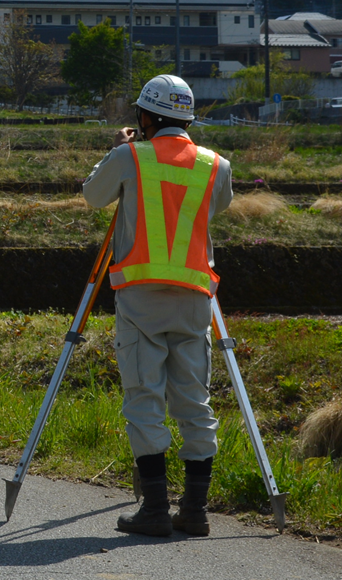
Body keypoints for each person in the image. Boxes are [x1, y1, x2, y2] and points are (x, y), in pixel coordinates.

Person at [81, 73, 232, 538]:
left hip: (141, 295)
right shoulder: (216, 165)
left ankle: (153, 509)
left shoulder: (130, 156)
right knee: (194, 402)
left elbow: (92, 196)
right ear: (186, 117)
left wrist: (121, 150)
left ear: (145, 117)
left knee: (144, 398)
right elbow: (216, 207)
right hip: (193, 298)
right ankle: (195, 510)